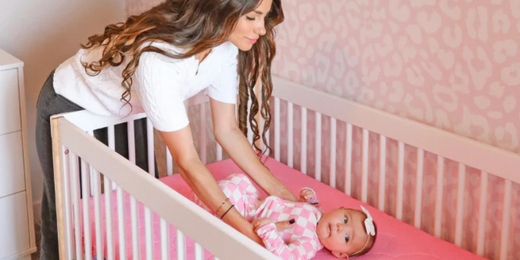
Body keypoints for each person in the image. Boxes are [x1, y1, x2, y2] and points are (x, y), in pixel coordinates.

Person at [35, 0, 297, 259]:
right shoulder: (157, 58)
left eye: (264, 18)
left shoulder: (224, 47)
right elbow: (187, 160)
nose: (262, 29)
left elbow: (227, 129)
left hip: (125, 107)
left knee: (141, 196)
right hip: (71, 102)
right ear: (220, 9)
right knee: (65, 207)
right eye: (252, 18)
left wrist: (285, 195)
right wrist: (246, 232)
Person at [194, 173, 378, 259]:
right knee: (239, 179)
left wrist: (269, 232)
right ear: (340, 208)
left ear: (339, 254)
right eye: (345, 219)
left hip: (247, 217)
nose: (340, 227)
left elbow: (286, 257)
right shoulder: (320, 214)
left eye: (346, 237)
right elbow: (312, 208)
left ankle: (202, 203)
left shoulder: (309, 244)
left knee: (228, 190)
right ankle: (208, 193)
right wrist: (309, 198)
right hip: (257, 203)